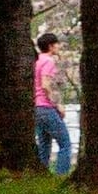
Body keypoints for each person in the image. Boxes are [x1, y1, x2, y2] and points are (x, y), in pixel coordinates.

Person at [31, 31, 71, 178]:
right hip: (46, 107)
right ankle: (61, 176)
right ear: (51, 46)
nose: (59, 47)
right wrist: (58, 104)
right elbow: (46, 85)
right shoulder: (48, 61)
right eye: (57, 44)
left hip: (36, 107)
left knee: (44, 146)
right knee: (65, 144)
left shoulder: (37, 61)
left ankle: (41, 177)